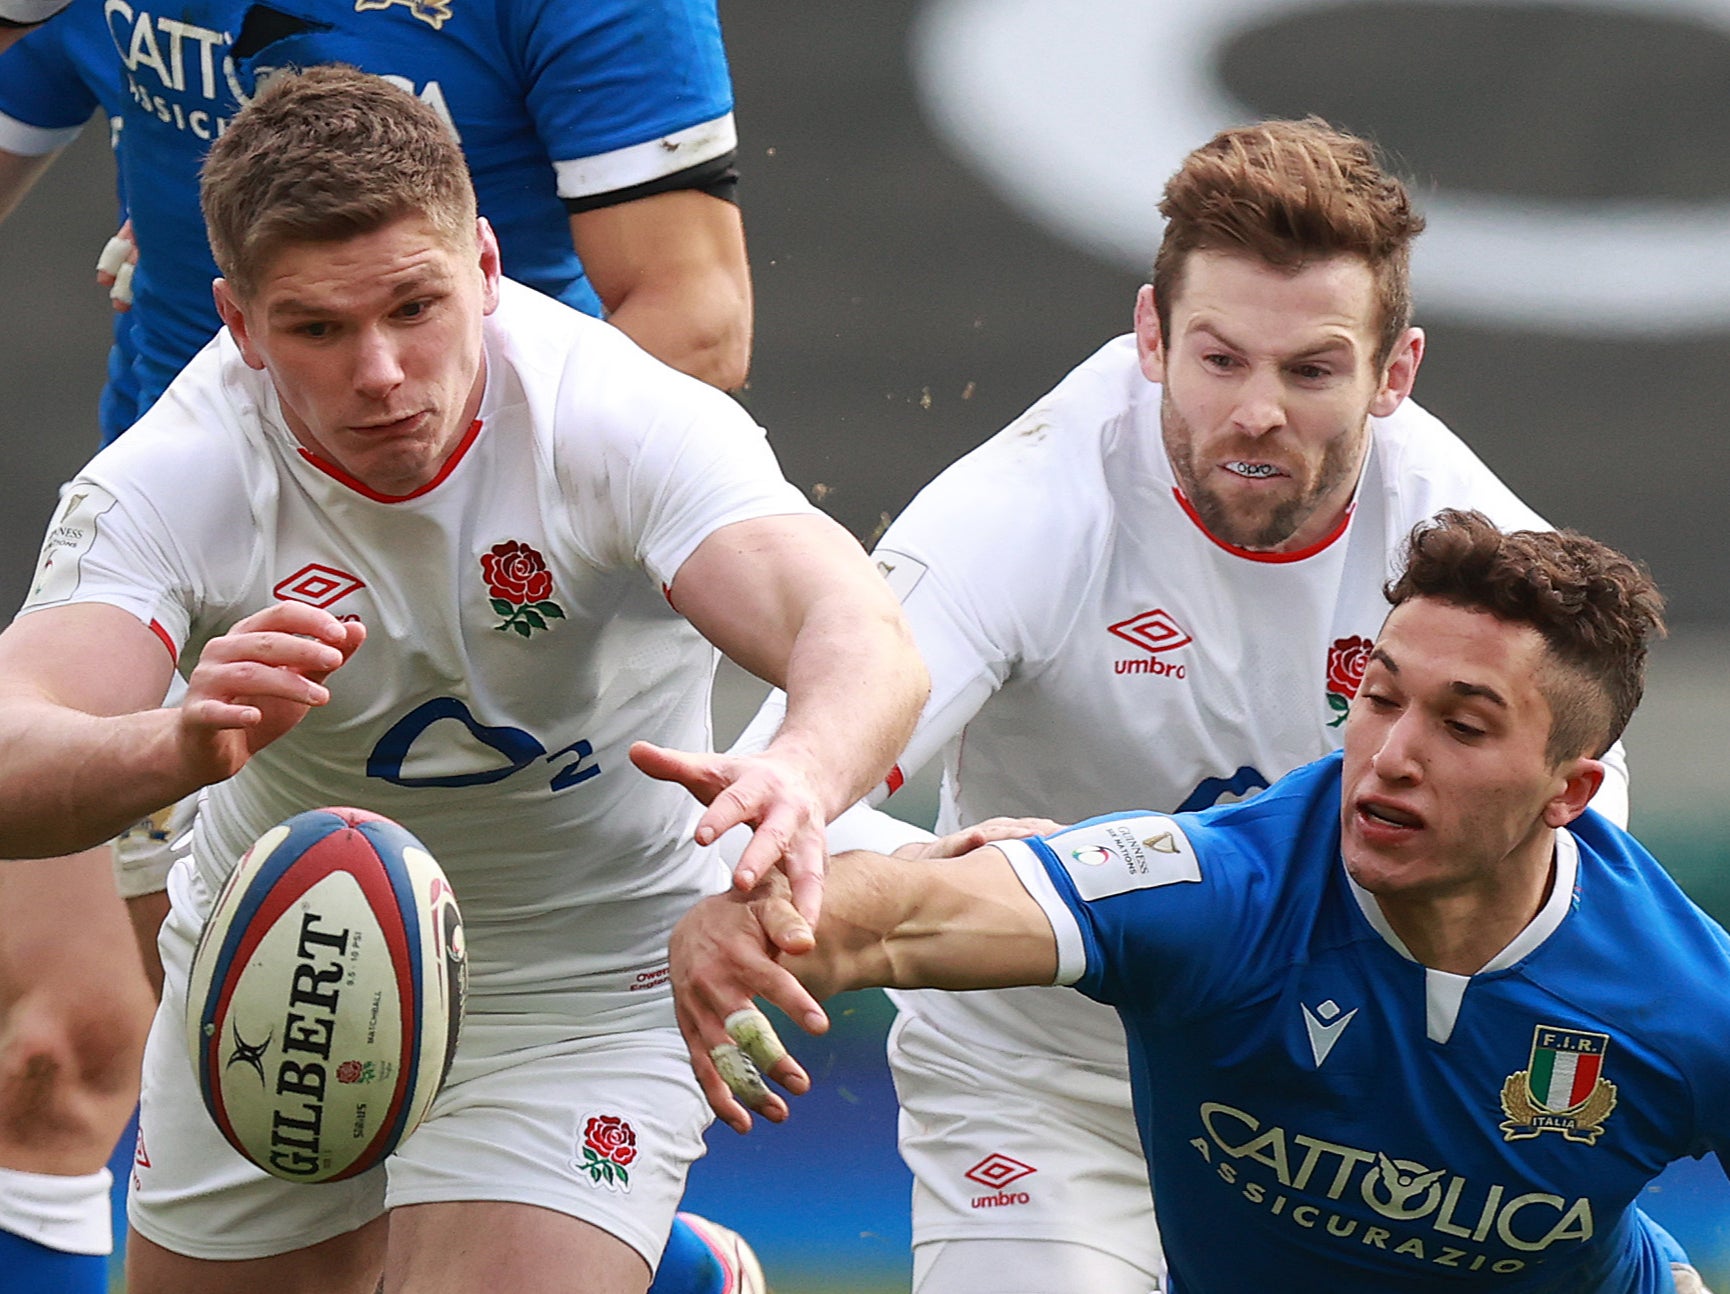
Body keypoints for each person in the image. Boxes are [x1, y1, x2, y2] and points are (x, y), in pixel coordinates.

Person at [0, 65, 926, 1294]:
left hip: (587, 972)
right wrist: (176, 745)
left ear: (486, 266)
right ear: (237, 322)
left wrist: (800, 774)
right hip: (293, 951)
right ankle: (672, 1273)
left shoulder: (615, 417)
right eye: (317, 329)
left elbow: (858, 630)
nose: (380, 371)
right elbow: (15, 745)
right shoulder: (170, 474)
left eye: (415, 307)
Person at [721, 116, 1630, 1292]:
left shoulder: (1480, 559)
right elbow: (775, 812)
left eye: (1310, 371)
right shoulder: (1021, 513)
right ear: (1149, 336)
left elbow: (1583, 896)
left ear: (1392, 372)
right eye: (1219, 359)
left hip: (1332, 1117)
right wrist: (950, 876)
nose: (1257, 410)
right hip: (1044, 1086)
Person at [673, 510, 1730, 1293]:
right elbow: (907, 915)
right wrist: (751, 920)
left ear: (1570, 789)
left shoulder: (1683, 999)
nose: (1391, 757)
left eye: (1462, 726)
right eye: (1379, 696)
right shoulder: (1217, 890)